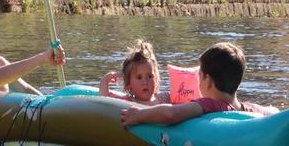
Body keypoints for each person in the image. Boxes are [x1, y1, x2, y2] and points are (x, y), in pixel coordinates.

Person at [120, 42, 276, 127]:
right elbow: (273, 111)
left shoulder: (209, 104)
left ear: (207, 81)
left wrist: (139, 116)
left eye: (199, 76)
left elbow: (170, 114)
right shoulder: (246, 108)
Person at [99, 39, 167, 105]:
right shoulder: (128, 102)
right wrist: (107, 79)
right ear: (128, 85)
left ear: (156, 79)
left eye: (150, 76)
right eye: (139, 77)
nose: (145, 82)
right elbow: (105, 102)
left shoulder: (163, 98)